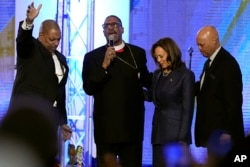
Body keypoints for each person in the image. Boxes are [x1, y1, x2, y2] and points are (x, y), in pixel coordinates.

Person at [82, 15, 152, 167]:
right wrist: (104, 65)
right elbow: (88, 88)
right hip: (106, 130)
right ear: (103, 31)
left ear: (122, 29)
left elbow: (147, 82)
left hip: (131, 129)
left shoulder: (137, 54)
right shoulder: (92, 57)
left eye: (115, 24)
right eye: (106, 25)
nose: (111, 27)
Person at [9, 1, 72, 154]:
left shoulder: (61, 59)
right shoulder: (30, 50)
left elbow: (59, 93)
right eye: (52, 39)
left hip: (47, 123)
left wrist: (62, 121)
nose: (56, 43)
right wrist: (29, 22)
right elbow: (23, 40)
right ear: (41, 35)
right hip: (25, 119)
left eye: (59, 39)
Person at [194, 26, 245, 166]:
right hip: (213, 135)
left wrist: (227, 132)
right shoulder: (210, 62)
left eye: (201, 44)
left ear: (214, 41)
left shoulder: (228, 64)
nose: (199, 48)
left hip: (223, 136)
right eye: (197, 44)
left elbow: (233, 102)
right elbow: (205, 89)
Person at [150, 37, 195, 167]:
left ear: (171, 53)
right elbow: (154, 96)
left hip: (175, 136)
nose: (159, 60)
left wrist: (182, 138)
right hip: (158, 134)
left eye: (161, 56)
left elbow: (188, 109)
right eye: (156, 57)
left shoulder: (185, 75)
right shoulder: (158, 74)